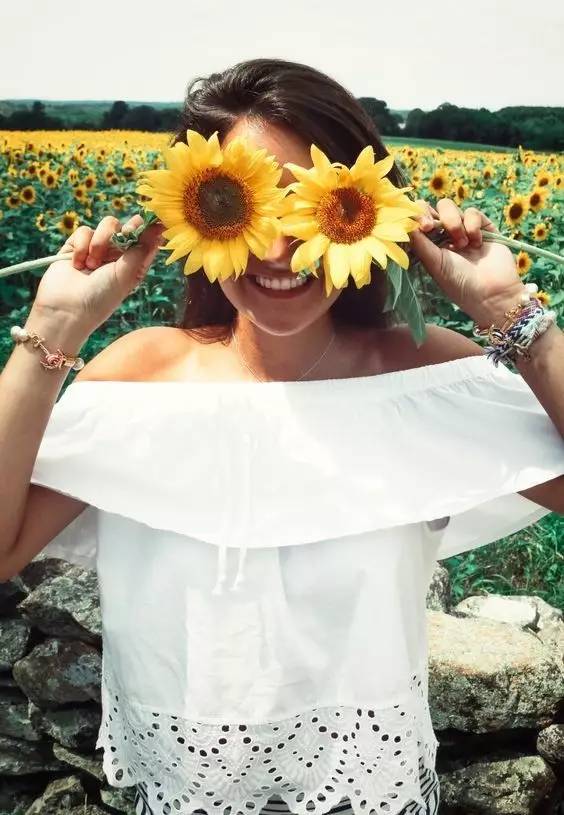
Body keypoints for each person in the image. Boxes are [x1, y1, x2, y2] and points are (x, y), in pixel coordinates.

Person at [1, 58, 563, 815]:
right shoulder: (141, 380)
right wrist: (55, 326)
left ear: (367, 212)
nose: (275, 247)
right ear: (193, 216)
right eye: (241, 205)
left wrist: (511, 313)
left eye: (310, 205)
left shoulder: (421, 379)